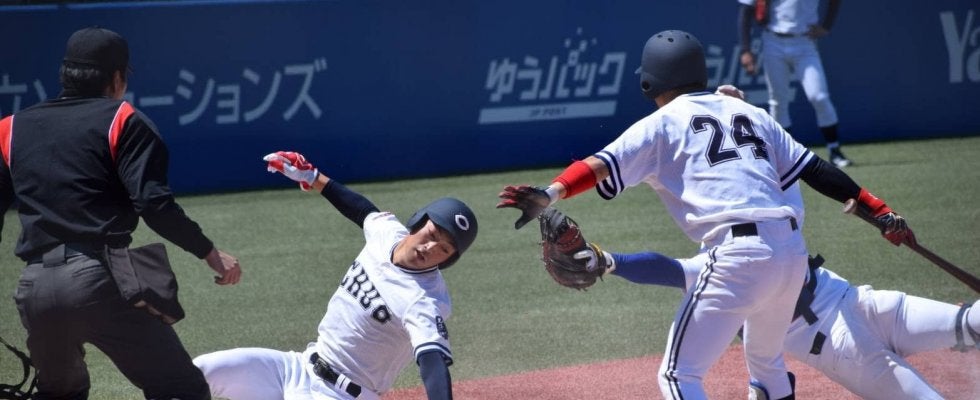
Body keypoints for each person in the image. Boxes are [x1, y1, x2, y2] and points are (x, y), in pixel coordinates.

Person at [497, 30, 914, 400]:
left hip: (737, 256)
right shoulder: (751, 113)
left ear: (648, 81)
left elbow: (598, 166)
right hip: (791, 255)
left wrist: (550, 194)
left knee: (677, 375)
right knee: (767, 365)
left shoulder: (661, 122)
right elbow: (818, 171)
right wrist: (879, 211)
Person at [0, 27, 242, 399]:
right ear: (116, 78)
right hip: (97, 280)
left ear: (65, 74)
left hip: (35, 291)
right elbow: (154, 204)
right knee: (180, 387)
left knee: (61, 394)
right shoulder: (123, 120)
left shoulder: (10, 128)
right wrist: (209, 252)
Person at [193, 151, 478, 400]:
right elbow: (361, 210)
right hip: (297, 369)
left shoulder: (424, 301)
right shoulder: (388, 233)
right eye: (432, 234)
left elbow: (432, 363)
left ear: (448, 260)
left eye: (444, 249)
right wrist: (313, 176)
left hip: (344, 394)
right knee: (195, 374)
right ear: (419, 221)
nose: (430, 248)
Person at [573, 239, 978, 400]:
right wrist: (610, 261)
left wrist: (736, 106)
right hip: (836, 344)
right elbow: (667, 269)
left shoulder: (767, 220)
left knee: (971, 322)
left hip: (864, 302)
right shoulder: (718, 267)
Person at [737, 0, 852, 167]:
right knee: (778, 102)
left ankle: (834, 151)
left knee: (818, 96)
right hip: (773, 40)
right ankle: (783, 157)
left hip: (804, 41)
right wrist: (745, 50)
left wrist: (826, 26)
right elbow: (746, 9)